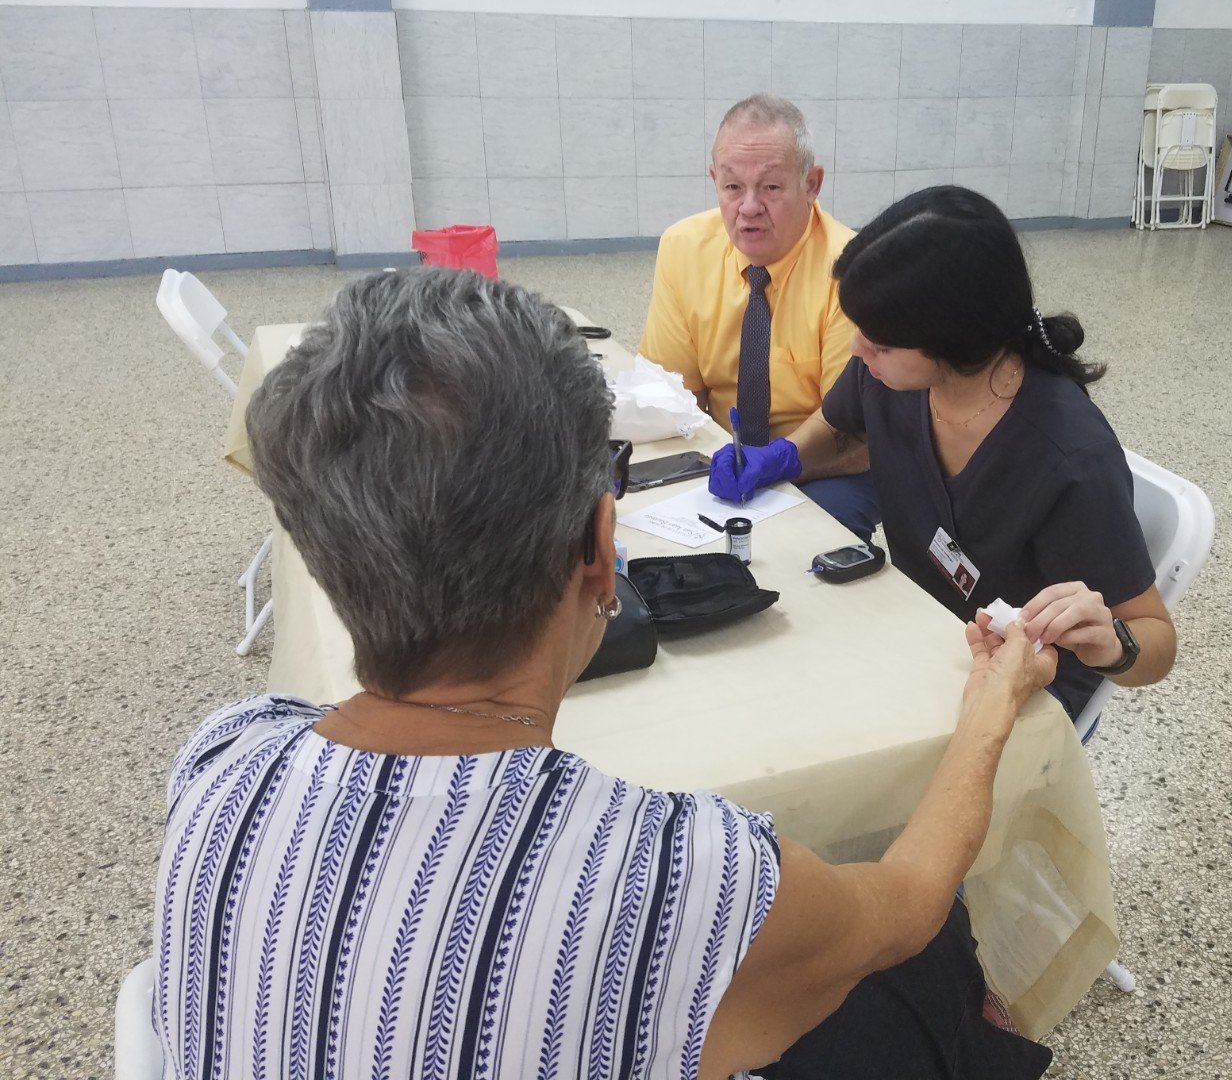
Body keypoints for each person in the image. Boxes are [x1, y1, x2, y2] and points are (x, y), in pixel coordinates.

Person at [152, 266, 1053, 1079]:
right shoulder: (684, 878)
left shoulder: (222, 759)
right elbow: (905, 907)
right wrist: (991, 706)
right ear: (599, 545)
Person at [708, 187, 1177, 720]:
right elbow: (837, 425)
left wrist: (1113, 644)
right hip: (916, 630)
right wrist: (785, 455)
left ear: (955, 338)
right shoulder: (889, 374)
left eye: (880, 342)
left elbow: (1155, 640)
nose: (859, 349)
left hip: (1016, 691)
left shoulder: (1069, 459)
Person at [638, 93, 876, 541]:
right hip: (724, 455)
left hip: (827, 464)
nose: (748, 207)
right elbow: (674, 396)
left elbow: (857, 434)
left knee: (804, 544)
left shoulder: (851, 268)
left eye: (770, 188)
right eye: (732, 187)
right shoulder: (683, 247)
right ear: (714, 180)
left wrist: (780, 460)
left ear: (812, 183)